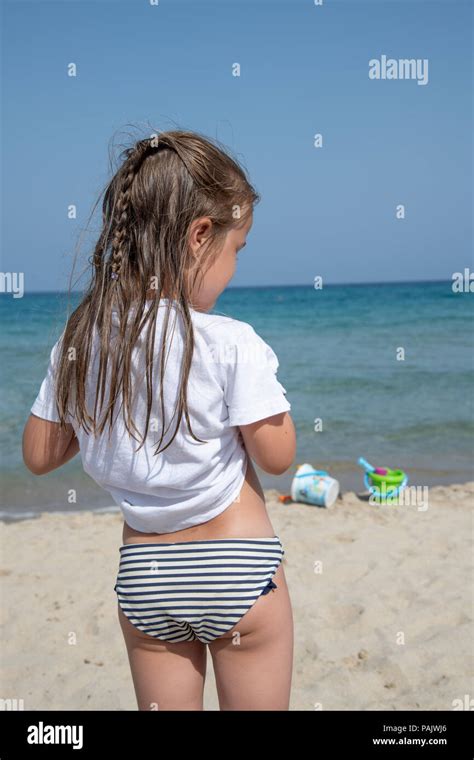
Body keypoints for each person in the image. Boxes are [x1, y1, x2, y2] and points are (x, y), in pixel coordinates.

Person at [22, 129, 296, 711]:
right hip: (236, 571)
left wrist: (101, 408)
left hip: (146, 580)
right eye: (235, 250)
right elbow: (277, 456)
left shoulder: (83, 339)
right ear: (201, 236)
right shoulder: (229, 341)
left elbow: (39, 456)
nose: (233, 269)